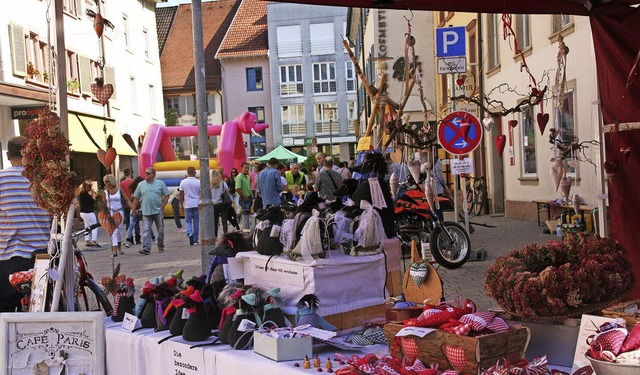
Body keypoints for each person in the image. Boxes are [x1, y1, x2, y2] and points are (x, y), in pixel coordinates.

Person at [0, 136, 51, 312]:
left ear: (8, 156)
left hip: (11, 256)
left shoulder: (1, 179)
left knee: (7, 311)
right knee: (44, 307)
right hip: (44, 255)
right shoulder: (44, 180)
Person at [132, 167, 170, 255]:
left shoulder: (160, 183)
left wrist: (162, 207)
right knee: (146, 229)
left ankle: (160, 246)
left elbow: (166, 195)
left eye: (148, 173)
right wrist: (133, 209)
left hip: (157, 211)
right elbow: (136, 197)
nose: (146, 174)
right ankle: (146, 248)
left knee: (160, 230)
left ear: (153, 174)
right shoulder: (141, 185)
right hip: (146, 211)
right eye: (145, 173)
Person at [102, 174, 133, 256]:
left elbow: (127, 200)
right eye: (105, 182)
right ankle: (114, 249)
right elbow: (104, 205)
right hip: (111, 213)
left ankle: (119, 247)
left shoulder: (120, 190)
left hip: (119, 212)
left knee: (119, 231)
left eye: (107, 181)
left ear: (111, 181)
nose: (106, 183)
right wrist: (106, 214)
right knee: (114, 231)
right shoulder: (105, 192)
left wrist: (133, 208)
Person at [179, 166, 200, 246]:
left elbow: (181, 194)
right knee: (196, 221)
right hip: (196, 203)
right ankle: (195, 240)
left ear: (187, 173)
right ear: (195, 172)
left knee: (188, 221)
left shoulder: (183, 182)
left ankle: (190, 232)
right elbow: (201, 193)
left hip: (187, 204)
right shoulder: (198, 182)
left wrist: (181, 204)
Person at [78, 181, 100, 247]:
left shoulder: (81, 194)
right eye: (90, 187)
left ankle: (87, 240)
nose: (91, 188)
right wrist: (94, 197)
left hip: (83, 212)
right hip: (88, 212)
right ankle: (94, 240)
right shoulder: (85, 194)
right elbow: (91, 201)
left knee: (87, 226)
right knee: (94, 226)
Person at [125, 176, 144, 247]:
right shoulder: (139, 190)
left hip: (134, 209)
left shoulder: (133, 190)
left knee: (131, 225)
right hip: (138, 209)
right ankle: (137, 239)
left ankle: (129, 240)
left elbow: (131, 199)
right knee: (146, 224)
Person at [210, 169, 230, 238]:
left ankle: (215, 236)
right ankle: (225, 236)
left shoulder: (210, 185)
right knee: (224, 222)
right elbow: (228, 193)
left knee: (215, 222)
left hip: (214, 205)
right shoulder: (223, 183)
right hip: (222, 204)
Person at [235, 162, 253, 232]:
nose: (247, 169)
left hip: (248, 197)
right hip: (244, 199)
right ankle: (246, 232)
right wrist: (245, 197)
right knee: (245, 217)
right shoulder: (239, 177)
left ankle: (247, 230)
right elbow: (238, 189)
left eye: (248, 168)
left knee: (248, 216)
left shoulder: (246, 176)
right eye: (245, 168)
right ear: (241, 168)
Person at [119, 168, 134, 235]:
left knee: (127, 220)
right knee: (135, 221)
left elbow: (119, 194)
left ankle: (129, 236)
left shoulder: (121, 184)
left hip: (125, 204)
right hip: (133, 203)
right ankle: (137, 238)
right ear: (130, 173)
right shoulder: (134, 182)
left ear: (124, 174)